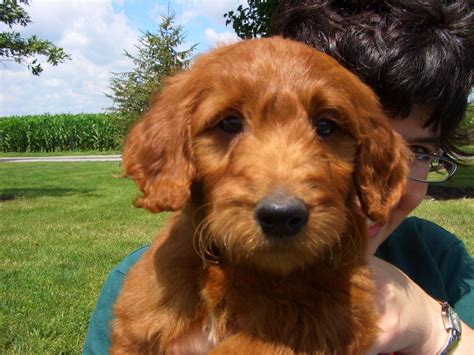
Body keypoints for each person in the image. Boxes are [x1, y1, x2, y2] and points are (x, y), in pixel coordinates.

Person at [83, 0, 474, 353]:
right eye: (229, 124)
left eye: (326, 128)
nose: (282, 195)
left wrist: (435, 332)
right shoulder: (145, 281)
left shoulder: (444, 266)